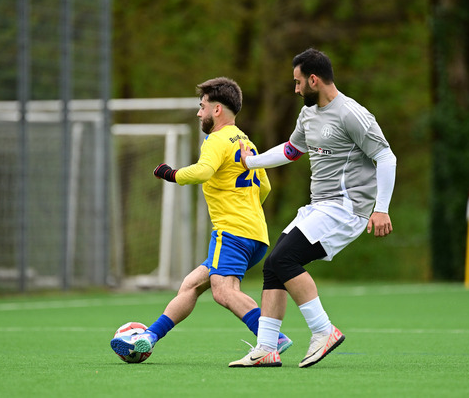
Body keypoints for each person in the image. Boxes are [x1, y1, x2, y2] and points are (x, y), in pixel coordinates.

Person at [228, 48, 396, 368]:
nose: (295, 89)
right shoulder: (308, 114)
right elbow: (292, 150)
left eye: (298, 82)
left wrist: (382, 208)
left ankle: (324, 331)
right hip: (320, 207)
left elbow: (386, 157)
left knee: (284, 258)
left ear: (314, 80)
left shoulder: (351, 114)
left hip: (346, 208)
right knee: (272, 266)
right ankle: (266, 348)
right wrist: (252, 162)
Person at [110, 77, 292, 361]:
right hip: (256, 234)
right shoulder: (246, 141)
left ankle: (272, 338)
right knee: (192, 284)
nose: (198, 113)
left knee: (223, 291)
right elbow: (265, 187)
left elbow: (203, 171)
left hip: (232, 232)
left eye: (202, 106)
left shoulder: (216, 140)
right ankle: (149, 336)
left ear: (217, 110)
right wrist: (245, 209)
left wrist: (171, 174)